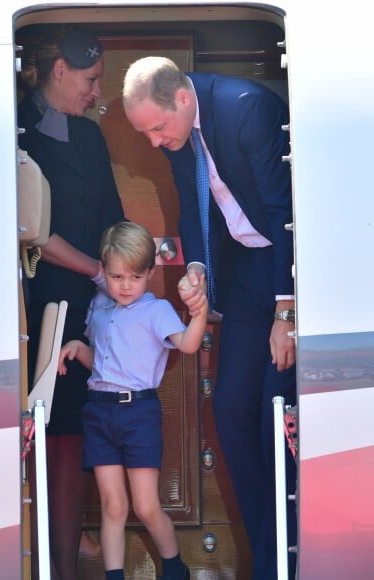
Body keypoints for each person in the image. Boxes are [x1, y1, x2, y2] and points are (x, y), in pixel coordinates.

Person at [121, 57, 297, 579]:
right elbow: (190, 206)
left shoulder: (246, 109)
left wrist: (288, 309)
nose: (154, 141)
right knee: (230, 408)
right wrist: (196, 268)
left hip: (287, 270)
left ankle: (282, 561)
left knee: (274, 411)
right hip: (245, 274)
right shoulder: (179, 133)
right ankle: (270, 552)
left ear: (182, 98)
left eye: (157, 127)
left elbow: (285, 208)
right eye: (144, 133)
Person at [17, 26, 125, 580]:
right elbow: (33, 231)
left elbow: (114, 215)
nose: (95, 91)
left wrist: (125, 278)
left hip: (94, 308)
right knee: (52, 431)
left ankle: (68, 559)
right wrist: (98, 271)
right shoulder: (15, 129)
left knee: (81, 431)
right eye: (89, 79)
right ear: (59, 71)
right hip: (42, 309)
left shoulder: (90, 137)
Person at [57, 221, 207, 580]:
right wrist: (80, 350)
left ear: (151, 272)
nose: (125, 286)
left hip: (138, 413)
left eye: (135, 277)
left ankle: (173, 567)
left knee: (145, 504)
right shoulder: (101, 309)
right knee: (113, 504)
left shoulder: (156, 311)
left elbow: (187, 344)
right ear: (105, 270)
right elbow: (107, 364)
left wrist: (199, 314)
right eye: (117, 276)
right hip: (99, 410)